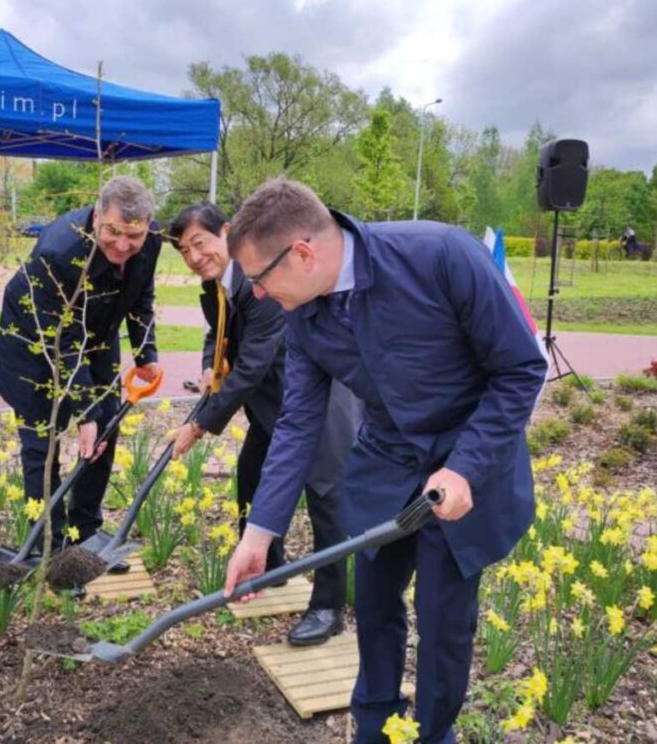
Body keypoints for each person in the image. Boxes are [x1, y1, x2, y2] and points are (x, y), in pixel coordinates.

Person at [222, 179, 547, 743]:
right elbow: (299, 421)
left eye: (258, 278)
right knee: (372, 606)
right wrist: (260, 530)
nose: (255, 294)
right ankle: (372, 728)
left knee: (444, 621)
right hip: (384, 466)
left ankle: (433, 734)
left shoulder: (441, 256)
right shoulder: (304, 314)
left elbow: (521, 368)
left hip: (466, 465)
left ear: (302, 253)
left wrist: (466, 466)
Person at [166, 202, 363, 646]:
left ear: (227, 233)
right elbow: (216, 334)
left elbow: (252, 366)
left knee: (326, 498)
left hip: (318, 402)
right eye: (185, 251)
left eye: (201, 243)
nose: (196, 257)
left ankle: (329, 606)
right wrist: (205, 365)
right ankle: (268, 565)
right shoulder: (220, 285)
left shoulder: (260, 286)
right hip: (272, 405)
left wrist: (198, 424)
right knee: (251, 475)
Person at [0, 177, 161, 564]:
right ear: (97, 215)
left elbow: (142, 297)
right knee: (42, 443)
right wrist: (84, 411)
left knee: (106, 430)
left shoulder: (150, 241)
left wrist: (145, 351)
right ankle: (49, 545)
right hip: (36, 343)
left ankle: (84, 531)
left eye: (133, 236)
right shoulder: (58, 252)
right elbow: (64, 344)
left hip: (98, 335)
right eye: (113, 232)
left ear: (148, 224)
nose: (122, 245)